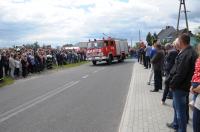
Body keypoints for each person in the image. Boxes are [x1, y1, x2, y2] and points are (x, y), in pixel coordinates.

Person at [166, 34, 198, 132]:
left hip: (180, 87)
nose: (177, 42)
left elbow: (180, 73)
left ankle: (181, 129)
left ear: (182, 41)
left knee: (180, 112)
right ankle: (176, 125)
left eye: (178, 40)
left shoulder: (186, 54)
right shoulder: (191, 51)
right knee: (177, 107)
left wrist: (172, 85)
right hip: (185, 86)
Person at [189, 43, 200, 109]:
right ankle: (193, 101)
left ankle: (193, 101)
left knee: (195, 92)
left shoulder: (197, 59)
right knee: (196, 92)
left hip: (194, 80)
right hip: (198, 80)